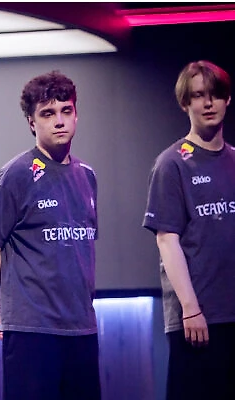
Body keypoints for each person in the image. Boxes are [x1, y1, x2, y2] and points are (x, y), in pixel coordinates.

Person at [0, 71, 100, 400]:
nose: (59, 121)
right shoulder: (16, 175)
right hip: (32, 333)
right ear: (32, 122)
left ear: (76, 115)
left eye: (66, 111)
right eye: (47, 113)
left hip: (82, 328)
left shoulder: (87, 176)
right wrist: (5, 312)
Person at [142, 60, 235, 400]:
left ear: (227, 99)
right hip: (198, 319)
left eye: (215, 95)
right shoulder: (172, 164)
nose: (208, 103)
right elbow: (167, 240)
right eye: (197, 96)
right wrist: (191, 308)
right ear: (185, 103)